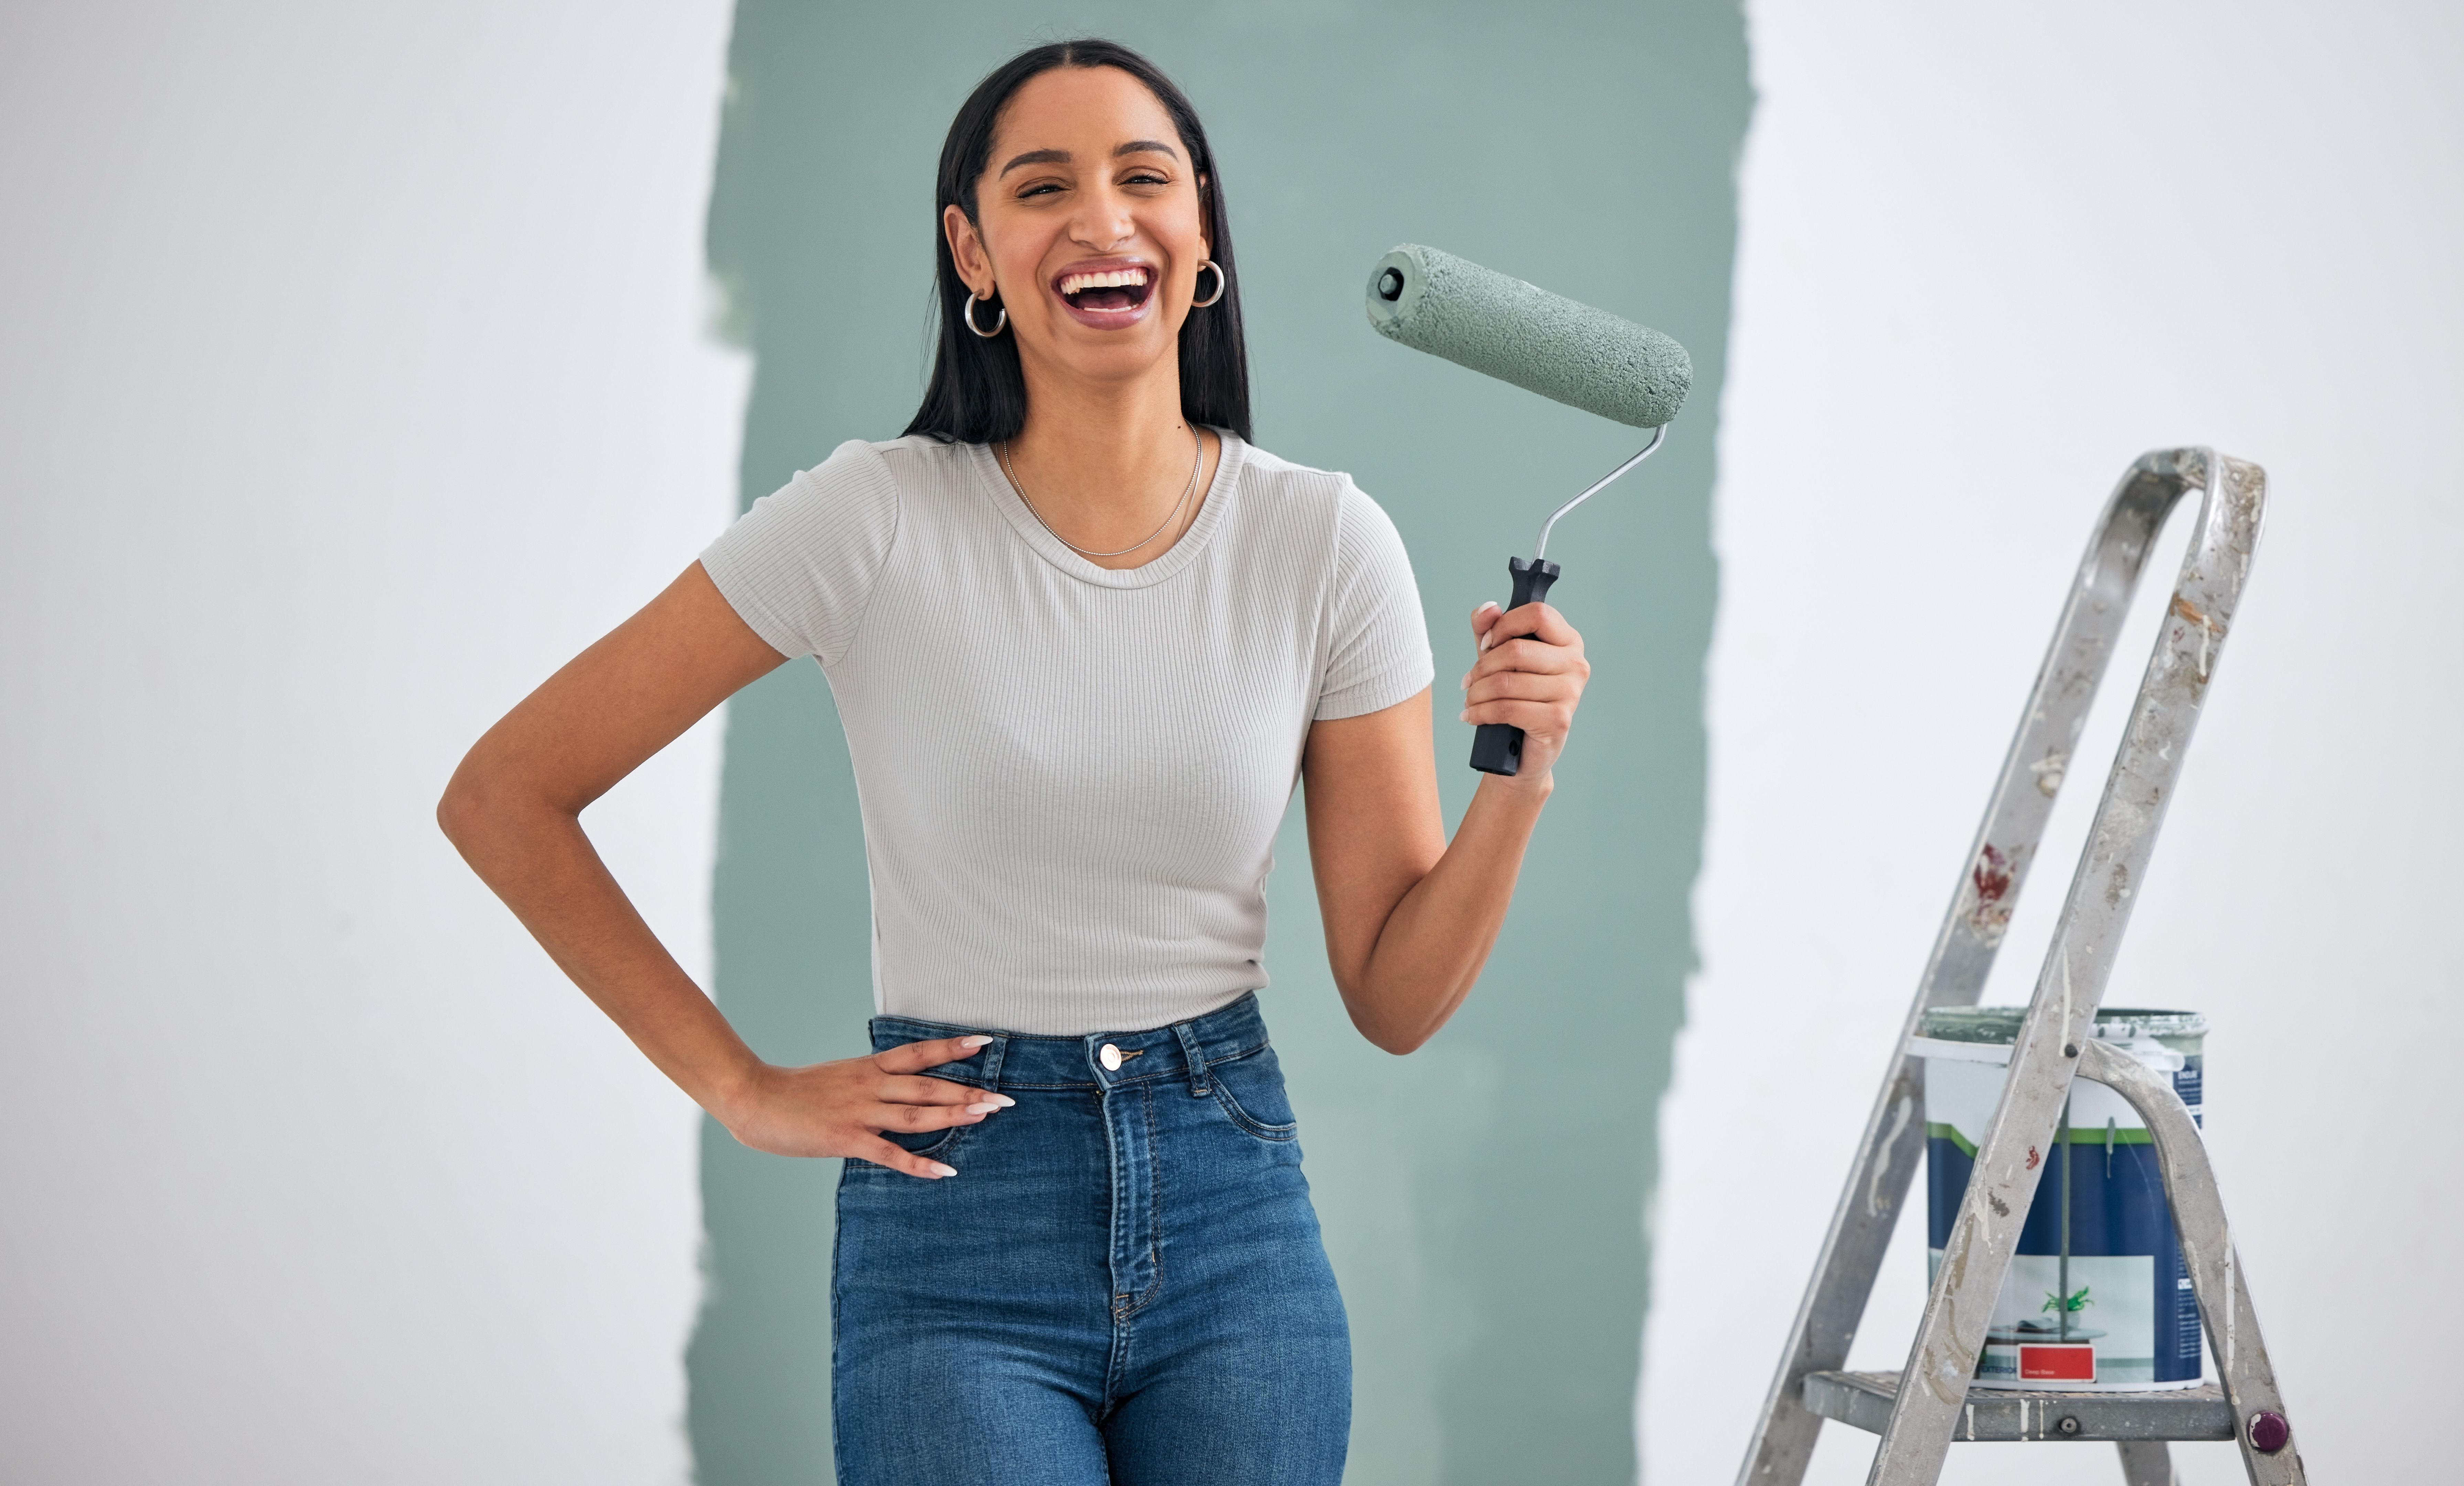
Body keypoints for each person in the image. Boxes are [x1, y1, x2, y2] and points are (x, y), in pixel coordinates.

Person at [438, 37, 1589, 1486]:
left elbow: (1397, 997)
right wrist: (743, 1086)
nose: (1104, 219)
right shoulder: (872, 520)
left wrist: (1520, 775)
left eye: (1144, 178)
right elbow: (504, 795)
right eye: (1045, 187)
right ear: (973, 252)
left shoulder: (1323, 543)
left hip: (1235, 1219)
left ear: (1201, 235)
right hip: (957, 1227)